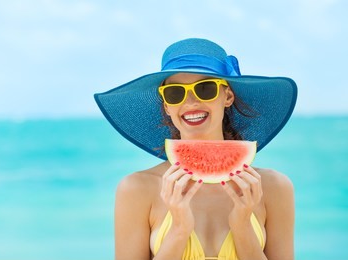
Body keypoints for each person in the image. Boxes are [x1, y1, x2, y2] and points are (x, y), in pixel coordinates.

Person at [94, 38, 297, 260]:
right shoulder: (135, 189)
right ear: (167, 106)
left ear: (227, 96)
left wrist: (242, 226)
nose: (190, 102)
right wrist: (179, 229)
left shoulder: (274, 188)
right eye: (175, 93)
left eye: (205, 88)